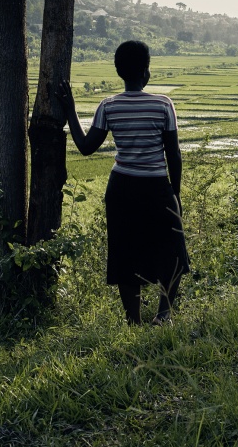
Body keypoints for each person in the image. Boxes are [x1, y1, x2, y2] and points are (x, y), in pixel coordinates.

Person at [56, 40, 189, 326]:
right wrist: (175, 193)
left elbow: (86, 146)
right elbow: (173, 153)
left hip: (121, 189)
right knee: (172, 250)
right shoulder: (164, 104)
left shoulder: (108, 105)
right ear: (146, 72)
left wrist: (70, 110)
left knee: (126, 251)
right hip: (157, 188)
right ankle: (164, 314)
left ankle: (134, 320)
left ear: (120, 72)